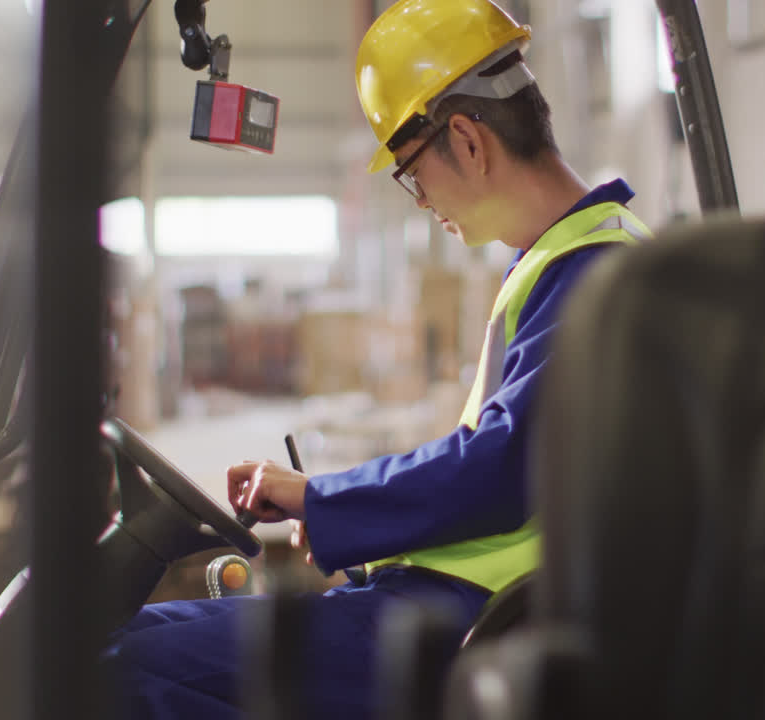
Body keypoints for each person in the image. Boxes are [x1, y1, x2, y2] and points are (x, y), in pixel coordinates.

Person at [103, 0, 652, 717]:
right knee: (132, 641)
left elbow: (506, 468)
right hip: (457, 605)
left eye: (411, 173)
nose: (421, 202)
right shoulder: (562, 260)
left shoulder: (590, 271)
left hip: (471, 626)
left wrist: (327, 501)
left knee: (114, 667)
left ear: (467, 138)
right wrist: (349, 520)